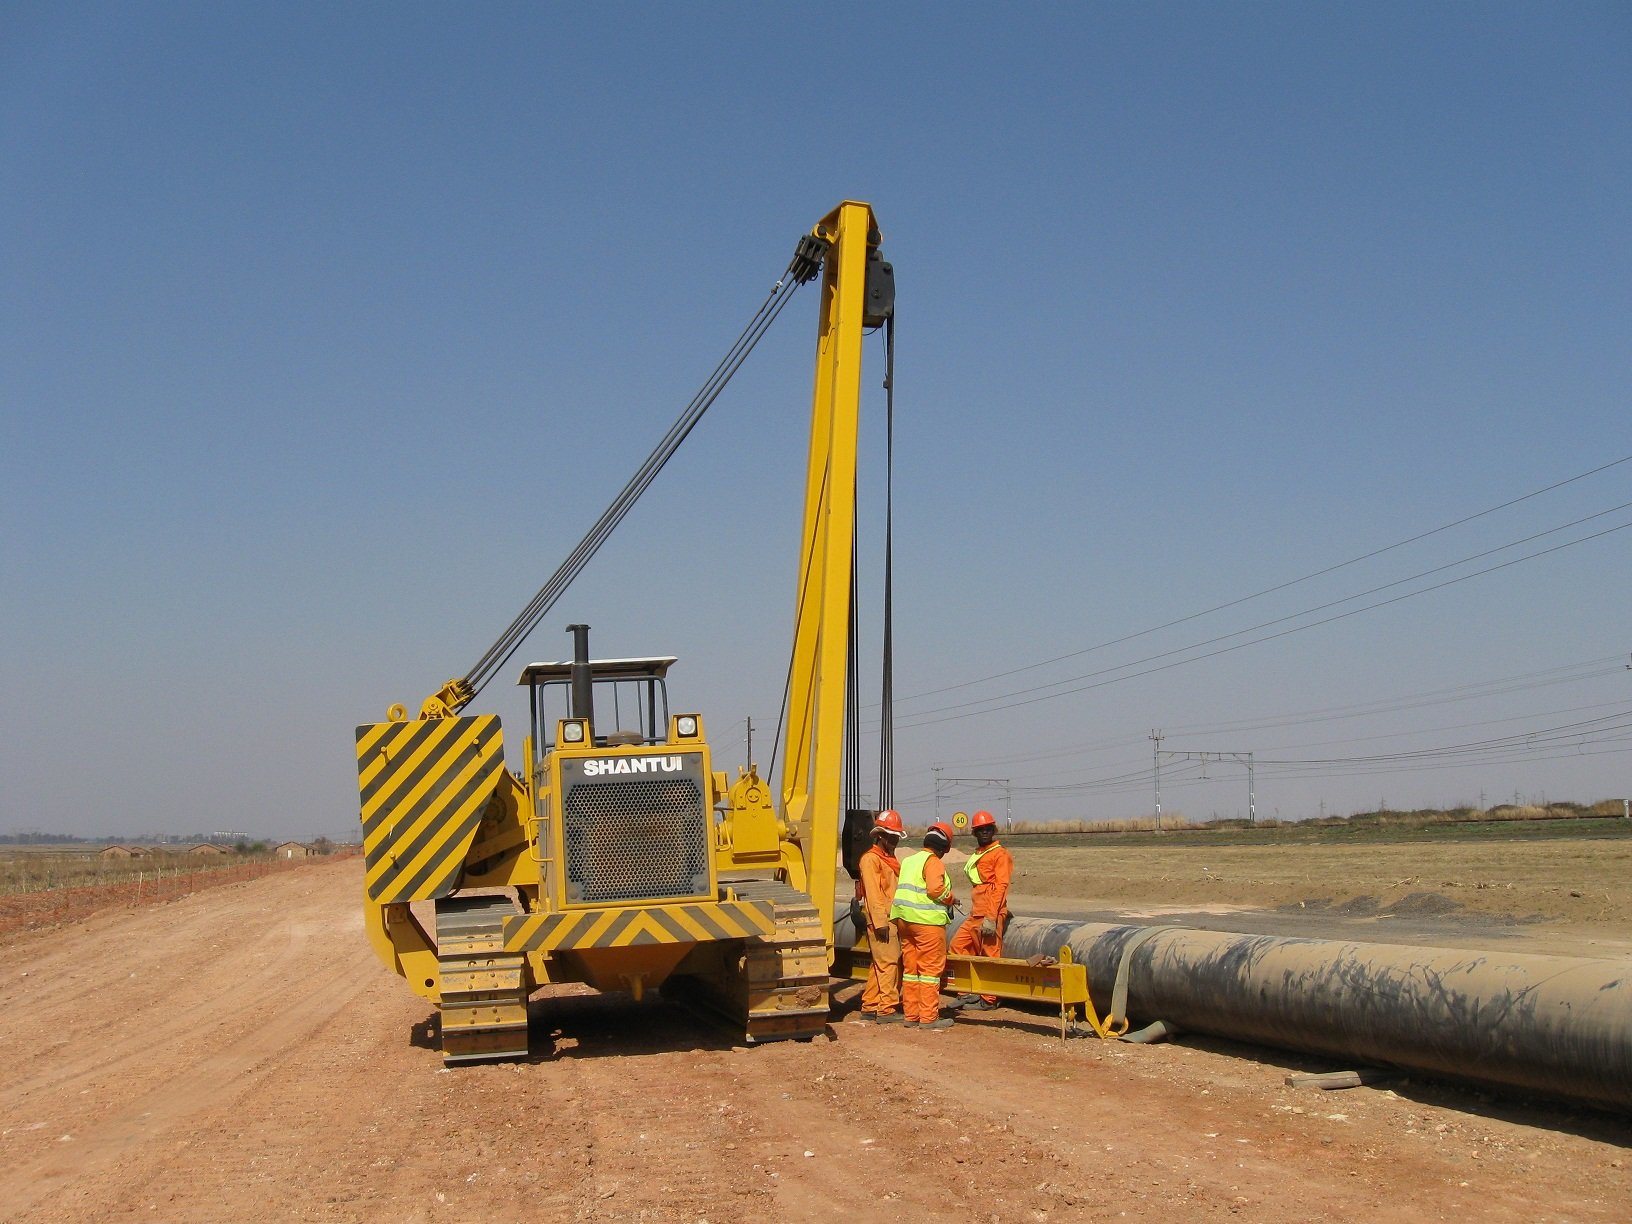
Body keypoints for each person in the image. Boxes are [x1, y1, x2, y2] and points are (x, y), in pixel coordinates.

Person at [889, 821, 958, 1030]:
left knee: (911, 969)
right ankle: (928, 1017)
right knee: (929, 970)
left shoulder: (909, 860)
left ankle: (911, 1015)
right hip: (927, 923)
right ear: (944, 848)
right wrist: (951, 899)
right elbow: (935, 890)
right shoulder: (933, 861)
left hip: (904, 921)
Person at [948, 810, 1013, 1010]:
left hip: (989, 914)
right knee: (957, 946)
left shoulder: (1000, 854)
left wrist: (992, 918)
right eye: (980, 830)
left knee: (990, 954)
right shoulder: (980, 853)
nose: (984, 832)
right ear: (975, 833)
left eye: (987, 829)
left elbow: (1001, 886)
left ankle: (989, 999)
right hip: (976, 913)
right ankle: (966, 992)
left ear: (993, 830)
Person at [857, 809, 905, 1023]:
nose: (894, 841)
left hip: (890, 918)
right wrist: (880, 922)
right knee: (889, 964)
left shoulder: (889, 860)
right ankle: (886, 1009)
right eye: (891, 837)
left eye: (896, 837)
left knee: (880, 964)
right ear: (880, 836)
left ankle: (871, 1004)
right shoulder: (870, 860)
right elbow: (874, 893)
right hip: (882, 921)